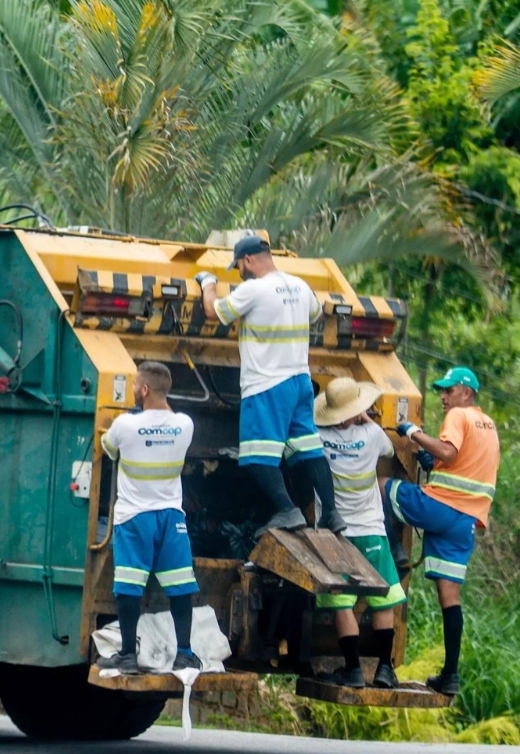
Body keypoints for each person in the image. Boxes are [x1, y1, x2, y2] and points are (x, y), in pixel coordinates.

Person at [194, 236, 345, 535]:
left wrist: (207, 283)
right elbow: (315, 313)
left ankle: (288, 511)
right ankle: (331, 513)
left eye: (237, 265)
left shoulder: (253, 289)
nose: (238, 271)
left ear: (248, 259)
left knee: (254, 455)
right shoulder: (300, 286)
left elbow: (214, 312)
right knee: (308, 448)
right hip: (300, 381)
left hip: (267, 385)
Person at [384, 367, 499, 696]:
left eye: (449, 390)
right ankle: (450, 675)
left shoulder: (459, 417)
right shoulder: (488, 426)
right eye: (442, 391)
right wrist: (430, 462)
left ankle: (394, 549)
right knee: (450, 598)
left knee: (380, 487)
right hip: (466, 523)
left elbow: (448, 451)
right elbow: (462, 463)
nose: (443, 397)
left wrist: (413, 433)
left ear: (466, 392)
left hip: (442, 508)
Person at [95, 361, 201, 674]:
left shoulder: (124, 425)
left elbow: (108, 448)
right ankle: (184, 653)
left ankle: (128, 655)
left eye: (134, 387)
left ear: (143, 390)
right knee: (181, 586)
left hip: (134, 518)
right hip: (171, 518)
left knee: (128, 587)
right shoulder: (185, 424)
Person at [311, 378, 406, 689]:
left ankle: (352, 669)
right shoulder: (372, 434)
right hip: (372, 532)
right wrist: (364, 419)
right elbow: (392, 451)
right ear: (356, 411)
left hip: (335, 534)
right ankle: (384, 668)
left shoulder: (318, 438)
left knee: (342, 603)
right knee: (384, 600)